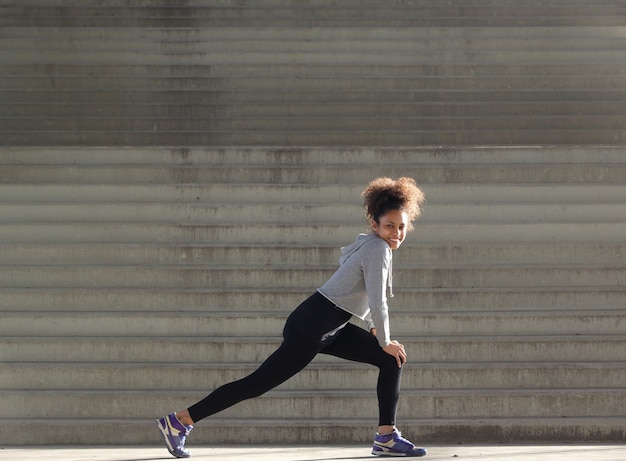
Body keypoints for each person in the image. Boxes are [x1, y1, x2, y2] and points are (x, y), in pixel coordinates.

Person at [156, 177, 427, 458]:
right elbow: (379, 300)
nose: (396, 233)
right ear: (374, 224)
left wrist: (374, 329)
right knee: (257, 384)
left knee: (390, 360)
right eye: (389, 226)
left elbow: (368, 294)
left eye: (401, 227)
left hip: (328, 325)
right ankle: (179, 421)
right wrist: (384, 339)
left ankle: (386, 437)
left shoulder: (373, 246)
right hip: (311, 326)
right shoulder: (377, 248)